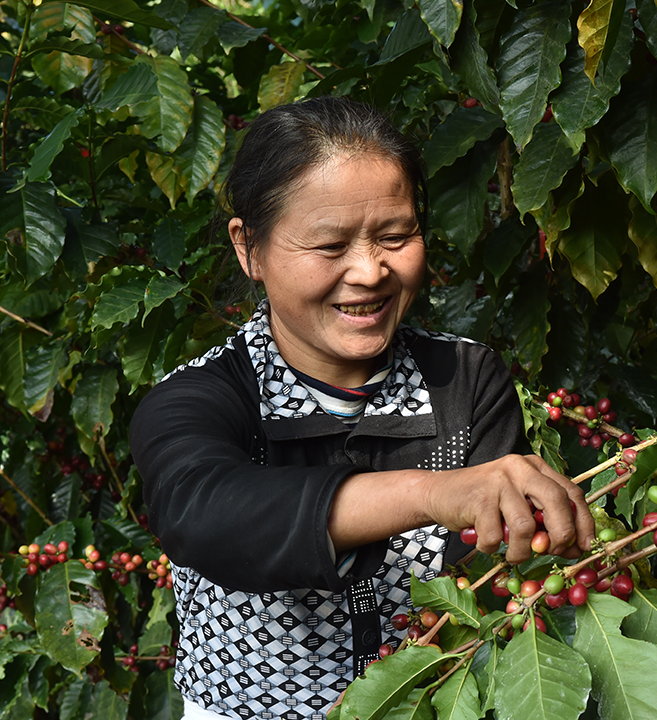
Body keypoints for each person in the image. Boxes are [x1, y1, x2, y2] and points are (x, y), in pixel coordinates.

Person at [129, 96, 594, 720]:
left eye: (396, 237)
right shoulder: (201, 396)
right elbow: (203, 513)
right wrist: (432, 493)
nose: (370, 271)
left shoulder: (465, 377)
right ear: (250, 249)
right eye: (329, 245)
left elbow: (491, 583)